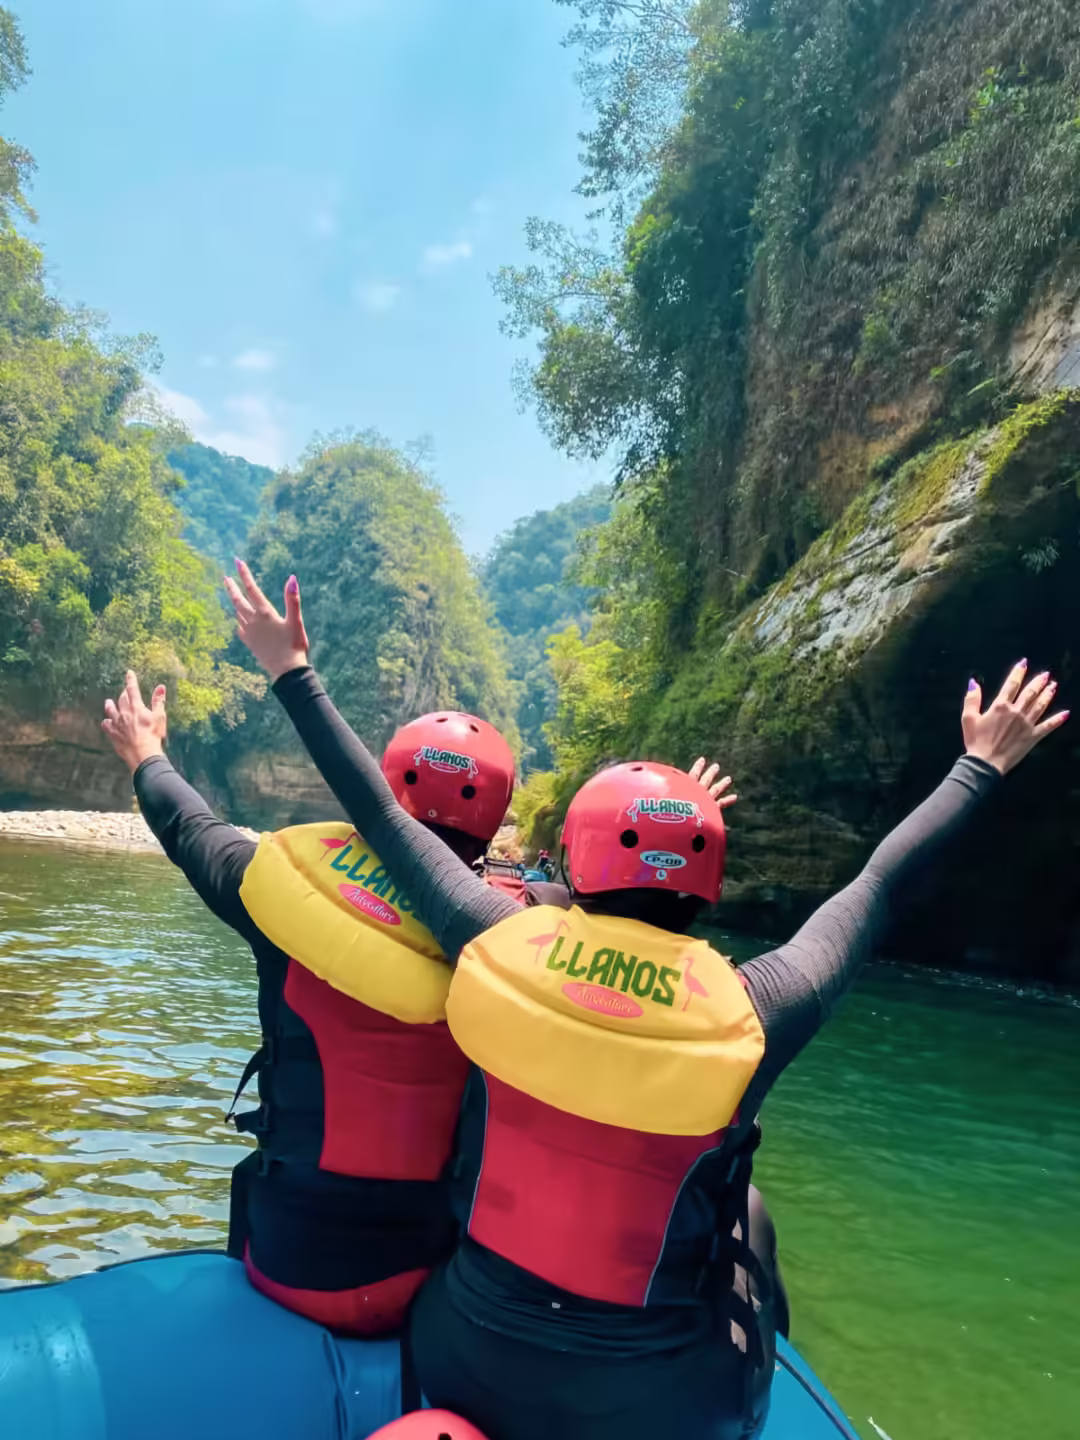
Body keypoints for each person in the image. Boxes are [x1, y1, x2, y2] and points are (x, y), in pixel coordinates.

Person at [227, 574, 1067, 1439]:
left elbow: (384, 816)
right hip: (661, 1406)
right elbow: (881, 884)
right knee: (747, 1213)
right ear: (709, 888)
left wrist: (294, 672)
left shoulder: (491, 938)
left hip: (462, 1360)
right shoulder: (758, 1008)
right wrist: (981, 765)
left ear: (572, 869)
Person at [100, 664, 516, 1338]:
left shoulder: (280, 892)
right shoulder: (517, 939)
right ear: (493, 822)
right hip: (431, 1278)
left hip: (287, 1263)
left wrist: (147, 752)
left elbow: (190, 829)